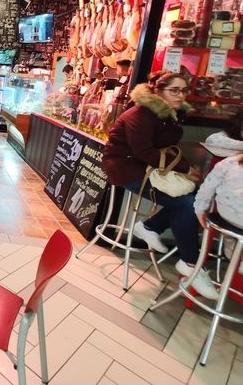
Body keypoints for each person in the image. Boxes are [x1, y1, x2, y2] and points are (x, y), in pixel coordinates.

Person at [102, 72, 219, 299]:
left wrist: (185, 168)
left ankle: (150, 227)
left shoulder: (167, 114)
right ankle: (191, 263)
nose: (180, 95)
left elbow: (164, 147)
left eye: (184, 91)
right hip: (126, 168)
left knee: (193, 198)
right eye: (174, 90)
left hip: (150, 168)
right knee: (187, 204)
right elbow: (144, 151)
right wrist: (185, 169)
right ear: (158, 90)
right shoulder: (141, 113)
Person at [194, 153, 243, 274]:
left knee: (230, 228)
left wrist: (200, 210)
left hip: (226, 215)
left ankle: (230, 242)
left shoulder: (229, 162)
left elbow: (207, 188)